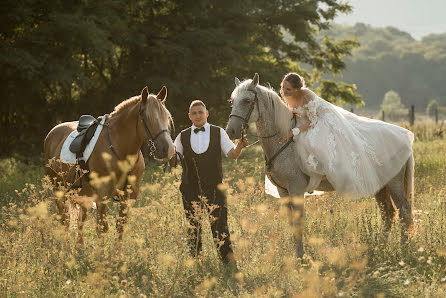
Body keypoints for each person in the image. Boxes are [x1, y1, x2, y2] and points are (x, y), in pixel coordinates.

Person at [279, 72, 414, 198]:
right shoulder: (286, 94)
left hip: (321, 120)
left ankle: (320, 178)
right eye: (283, 87)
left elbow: (312, 121)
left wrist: (293, 132)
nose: (284, 91)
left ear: (297, 90)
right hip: (305, 120)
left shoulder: (307, 97)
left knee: (316, 143)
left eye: (288, 89)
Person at [169, 100, 247, 265]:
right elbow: (174, 160)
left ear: (206, 113)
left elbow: (232, 154)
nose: (198, 115)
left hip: (215, 188)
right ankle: (196, 262)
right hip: (190, 188)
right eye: (194, 113)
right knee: (193, 227)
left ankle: (228, 264)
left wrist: (239, 146)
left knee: (220, 226)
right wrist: (167, 153)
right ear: (189, 116)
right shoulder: (182, 136)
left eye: (200, 112)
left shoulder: (218, 132)